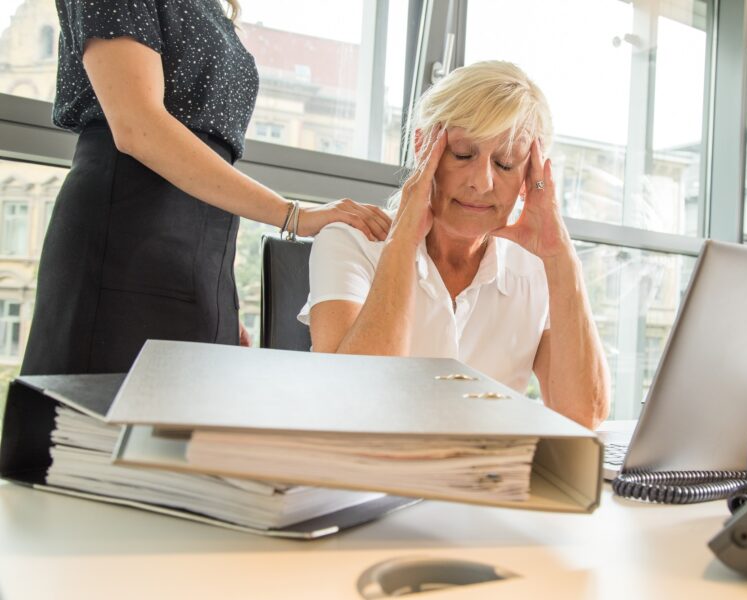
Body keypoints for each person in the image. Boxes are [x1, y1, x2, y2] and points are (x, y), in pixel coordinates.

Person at [21, 0, 390, 376]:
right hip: (122, 250)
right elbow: (137, 127)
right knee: (100, 426)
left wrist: (219, 296)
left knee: (183, 426)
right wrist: (294, 214)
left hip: (197, 268)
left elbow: (204, 166)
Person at [300, 61, 610, 428]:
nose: (481, 182)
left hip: (480, 480)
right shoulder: (351, 243)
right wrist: (402, 243)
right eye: (463, 154)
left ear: (531, 175)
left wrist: (561, 258)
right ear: (422, 149)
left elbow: (582, 413)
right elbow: (350, 397)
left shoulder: (536, 270)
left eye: (506, 163)